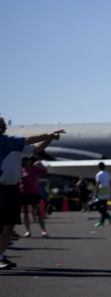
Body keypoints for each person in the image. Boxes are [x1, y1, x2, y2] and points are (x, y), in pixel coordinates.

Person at [0, 115, 62, 270]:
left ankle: (0, 256)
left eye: (4, 126)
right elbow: (29, 139)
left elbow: (36, 147)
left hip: (11, 189)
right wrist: (48, 134)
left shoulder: (13, 143)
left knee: (10, 224)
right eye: (1, 126)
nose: (4, 128)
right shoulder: (7, 141)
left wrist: (50, 138)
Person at [20, 156, 48, 237]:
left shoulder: (34, 169)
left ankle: (43, 230)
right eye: (25, 160)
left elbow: (45, 170)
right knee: (26, 212)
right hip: (24, 193)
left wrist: (40, 163)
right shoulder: (21, 170)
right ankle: (27, 230)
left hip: (34, 192)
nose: (27, 161)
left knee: (38, 211)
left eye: (28, 160)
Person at [93, 162, 111, 227]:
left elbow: (97, 184)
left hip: (101, 190)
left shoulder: (98, 175)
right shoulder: (108, 174)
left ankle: (107, 217)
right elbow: (110, 184)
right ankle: (102, 220)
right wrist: (110, 192)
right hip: (106, 190)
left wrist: (95, 193)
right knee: (103, 206)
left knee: (98, 205)